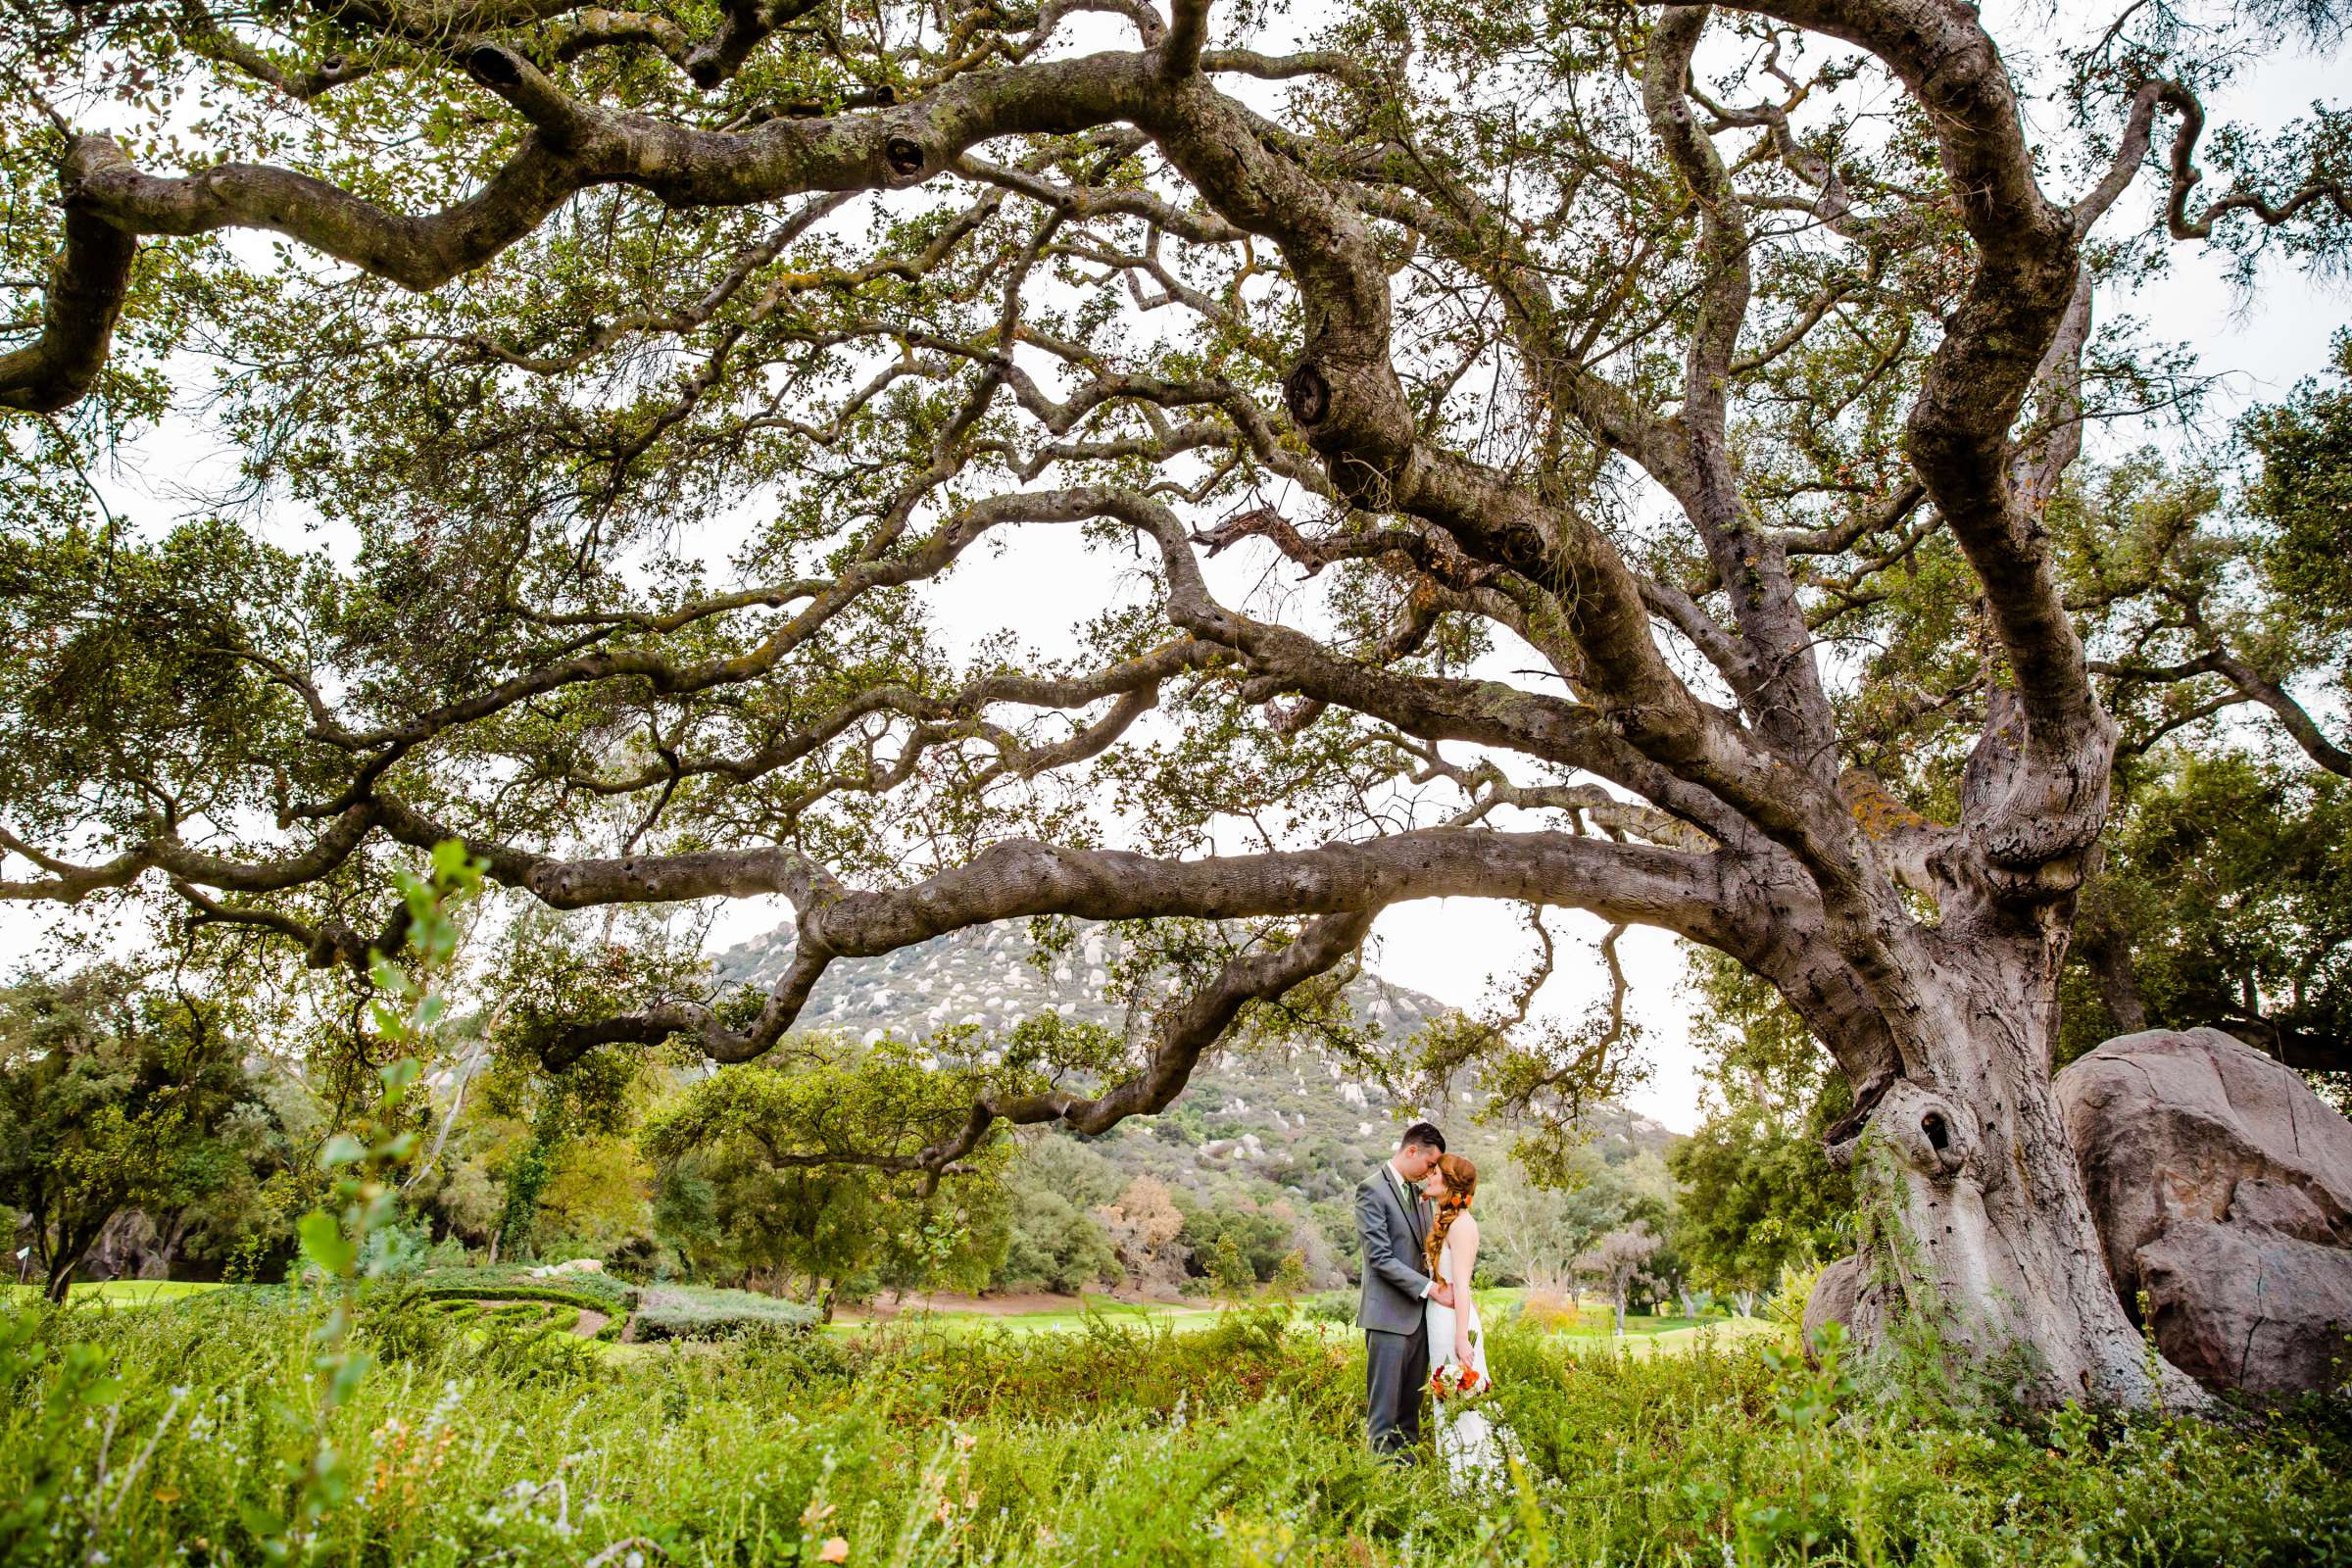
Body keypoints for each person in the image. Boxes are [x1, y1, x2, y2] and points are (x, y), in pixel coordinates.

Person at [1355, 1122, 1453, 1457]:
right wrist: (1430, 1288)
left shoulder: (1419, 1195)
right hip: (1387, 1320)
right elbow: (1380, 1258)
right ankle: (1381, 1492)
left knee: (1409, 1418)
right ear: (1412, 1151)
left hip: (1420, 1322)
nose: (1430, 1173)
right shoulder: (1371, 1190)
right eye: (1429, 1165)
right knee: (1383, 1419)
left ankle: (1408, 1487)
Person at [1422, 1151, 1504, 1487]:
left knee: (1463, 1402)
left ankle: (1481, 1483)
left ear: (1450, 1182)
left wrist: (1460, 1339)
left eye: (1436, 1173)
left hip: (1454, 1324)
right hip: (1438, 1319)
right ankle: (1457, 1481)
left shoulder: (1463, 1225)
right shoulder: (1445, 1218)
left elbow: (1463, 1288)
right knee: (1447, 1406)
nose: (1429, 1176)